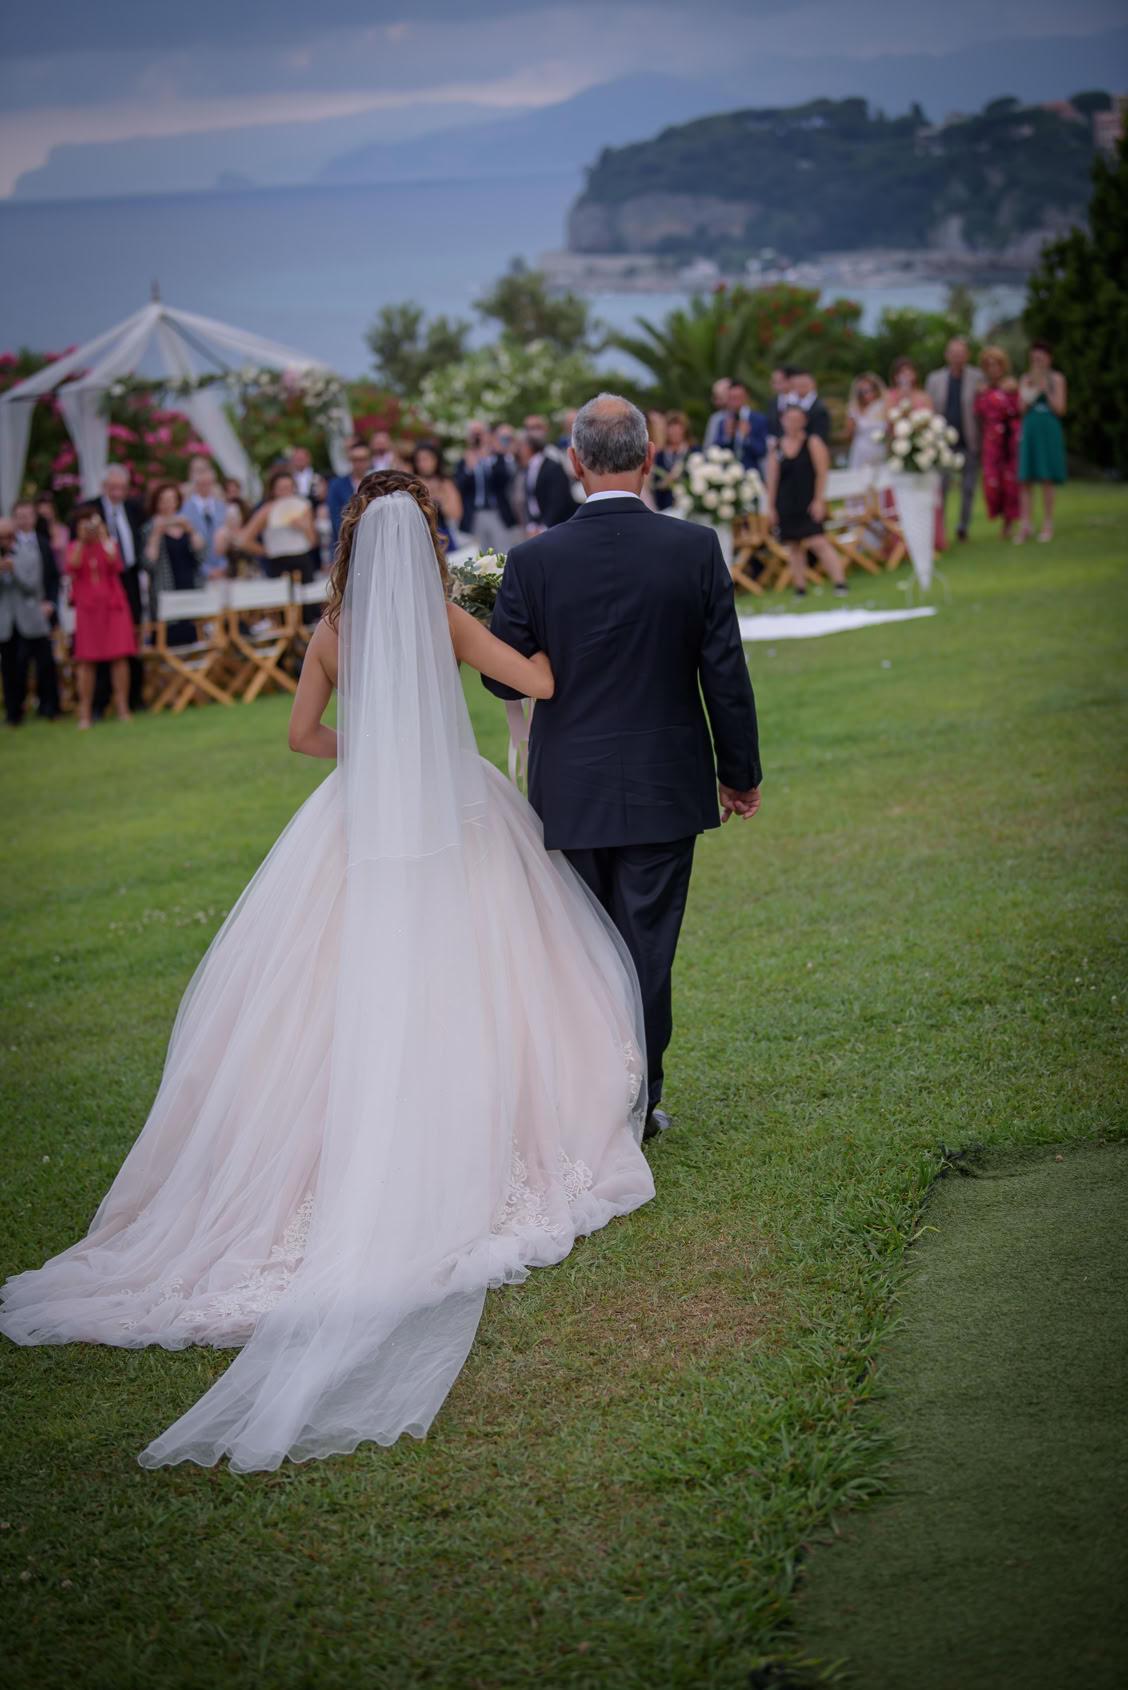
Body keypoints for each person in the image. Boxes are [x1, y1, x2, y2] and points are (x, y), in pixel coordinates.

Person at [0, 470, 655, 1473]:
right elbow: (544, 685)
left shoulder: (332, 632)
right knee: (483, 978)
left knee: (333, 998)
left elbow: (300, 734)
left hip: (363, 822)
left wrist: (380, 754)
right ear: (429, 543)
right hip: (453, 820)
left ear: (350, 544)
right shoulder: (444, 618)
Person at [485, 393, 762, 1138]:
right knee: (646, 946)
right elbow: (724, 672)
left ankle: (590, 1103)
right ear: (649, 459)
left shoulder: (533, 560)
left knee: (580, 946)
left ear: (575, 464)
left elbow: (500, 676)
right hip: (665, 782)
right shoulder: (695, 547)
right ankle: (638, 1102)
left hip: (570, 787)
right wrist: (740, 772)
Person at [764, 402, 847, 597]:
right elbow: (772, 477)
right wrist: (770, 506)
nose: (792, 423)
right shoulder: (776, 446)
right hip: (785, 502)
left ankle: (840, 582)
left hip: (808, 499)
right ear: (782, 421)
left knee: (818, 541)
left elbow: (821, 472)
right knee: (793, 545)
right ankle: (800, 587)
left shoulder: (812, 442)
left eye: (797, 419)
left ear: (804, 421)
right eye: (789, 419)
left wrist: (818, 499)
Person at [64, 505, 136, 729]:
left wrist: (103, 536)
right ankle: (84, 711)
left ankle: (123, 707)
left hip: (113, 607)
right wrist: (82, 540)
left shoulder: (108, 544)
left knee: (119, 657)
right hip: (87, 609)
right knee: (86, 660)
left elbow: (116, 564)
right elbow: (72, 567)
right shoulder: (74, 547)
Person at [925, 337, 983, 542]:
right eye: (953, 353)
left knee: (968, 488)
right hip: (943, 444)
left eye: (961, 353)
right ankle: (939, 531)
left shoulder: (977, 377)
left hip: (968, 440)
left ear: (967, 355)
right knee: (940, 488)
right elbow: (929, 409)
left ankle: (962, 527)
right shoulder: (935, 379)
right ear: (947, 355)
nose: (957, 357)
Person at [97, 464, 145, 712]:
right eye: (113, 488)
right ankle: (102, 699)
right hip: (103, 583)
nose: (117, 493)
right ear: (103, 487)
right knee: (105, 642)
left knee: (132, 637)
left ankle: (135, 697)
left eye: (122, 488)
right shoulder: (91, 511)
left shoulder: (134, 508)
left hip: (131, 580)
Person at [9, 497, 60, 720]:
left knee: (46, 663)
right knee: (15, 665)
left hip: (39, 612)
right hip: (12, 615)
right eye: (20, 516)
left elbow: (52, 576)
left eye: (28, 515)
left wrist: (51, 602)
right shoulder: (7, 545)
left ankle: (49, 708)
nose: (24, 520)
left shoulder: (43, 542)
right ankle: (14, 712)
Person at [1016, 340, 1067, 544]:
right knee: (1025, 478)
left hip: (1048, 428)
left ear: (1049, 358)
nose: (1037, 361)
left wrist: (1046, 389)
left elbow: (1060, 408)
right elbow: (1020, 409)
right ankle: (1025, 524)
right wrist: (1029, 389)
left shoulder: (1057, 378)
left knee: (1047, 477)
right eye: (1034, 358)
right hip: (1030, 427)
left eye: (1041, 358)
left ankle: (1047, 524)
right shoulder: (1026, 378)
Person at [144, 482, 205, 641]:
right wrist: (156, 533)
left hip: (190, 586)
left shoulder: (185, 525)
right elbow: (149, 562)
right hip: (166, 589)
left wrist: (190, 530)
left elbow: (201, 555)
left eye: (171, 499)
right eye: (163, 500)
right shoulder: (149, 528)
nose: (168, 504)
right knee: (170, 637)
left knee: (193, 634)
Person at [973, 347, 1021, 539]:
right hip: (990, 441)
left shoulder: (1010, 386)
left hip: (1009, 439)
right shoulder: (981, 389)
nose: (993, 368)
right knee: (991, 484)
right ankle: (999, 515)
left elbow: (1019, 408)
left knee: (1010, 482)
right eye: (989, 364)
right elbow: (977, 415)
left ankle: (1008, 524)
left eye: (997, 364)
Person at [238, 468, 316, 578]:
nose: (286, 492)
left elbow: (312, 541)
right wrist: (267, 550)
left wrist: (303, 527)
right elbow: (244, 540)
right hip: (278, 563)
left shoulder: (303, 506)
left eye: (289, 488)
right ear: (273, 490)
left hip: (303, 560)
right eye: (281, 488)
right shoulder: (266, 510)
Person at [454, 425, 518, 550]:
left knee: (503, 550)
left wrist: (488, 459)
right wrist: (469, 468)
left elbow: (505, 479)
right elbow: (459, 485)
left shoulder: (497, 457)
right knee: (480, 553)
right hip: (474, 513)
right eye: (474, 434)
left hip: (496, 511)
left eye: (480, 434)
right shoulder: (464, 461)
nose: (477, 438)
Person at [181, 459, 229, 581]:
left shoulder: (222, 507)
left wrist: (222, 567)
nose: (204, 486)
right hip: (196, 574)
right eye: (200, 483)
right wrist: (206, 570)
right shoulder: (184, 510)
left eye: (208, 483)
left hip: (223, 572)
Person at [704, 380, 769, 471]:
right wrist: (726, 437)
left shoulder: (758, 419)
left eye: (738, 398)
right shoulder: (722, 421)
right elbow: (713, 450)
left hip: (751, 473)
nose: (735, 402)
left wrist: (747, 438)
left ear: (746, 397)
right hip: (727, 473)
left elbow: (763, 451)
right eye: (732, 398)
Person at [520, 426, 575, 532]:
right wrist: (531, 525)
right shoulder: (529, 468)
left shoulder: (553, 467)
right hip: (537, 526)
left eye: (522, 446)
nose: (519, 450)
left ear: (529, 447)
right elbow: (531, 499)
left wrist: (544, 527)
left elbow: (558, 500)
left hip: (555, 527)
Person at [410, 441, 462, 548]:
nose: (422, 464)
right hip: (419, 537)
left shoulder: (445, 482)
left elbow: (456, 514)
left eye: (426, 459)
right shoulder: (412, 484)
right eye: (418, 460)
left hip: (443, 535)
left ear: (435, 459)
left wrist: (440, 497)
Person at [327, 439, 373, 546]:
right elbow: (335, 518)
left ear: (369, 460)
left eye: (363, 459)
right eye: (355, 459)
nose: (359, 463)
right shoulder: (337, 485)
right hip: (347, 542)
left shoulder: (377, 483)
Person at [650, 411, 693, 511]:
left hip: (688, 507)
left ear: (684, 430)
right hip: (665, 507)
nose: (674, 432)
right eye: (671, 427)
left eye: (678, 428)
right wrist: (667, 481)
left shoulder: (693, 452)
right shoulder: (660, 455)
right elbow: (655, 486)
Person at [845, 373, 887, 472]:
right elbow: (847, 435)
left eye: (868, 390)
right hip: (860, 451)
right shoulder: (854, 409)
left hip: (880, 450)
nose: (865, 394)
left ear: (876, 390)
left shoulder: (883, 406)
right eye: (861, 391)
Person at [790, 369, 830, 444]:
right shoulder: (790, 403)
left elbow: (821, 436)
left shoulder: (819, 408)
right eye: (797, 385)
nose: (799, 388)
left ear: (813, 385)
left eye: (803, 385)